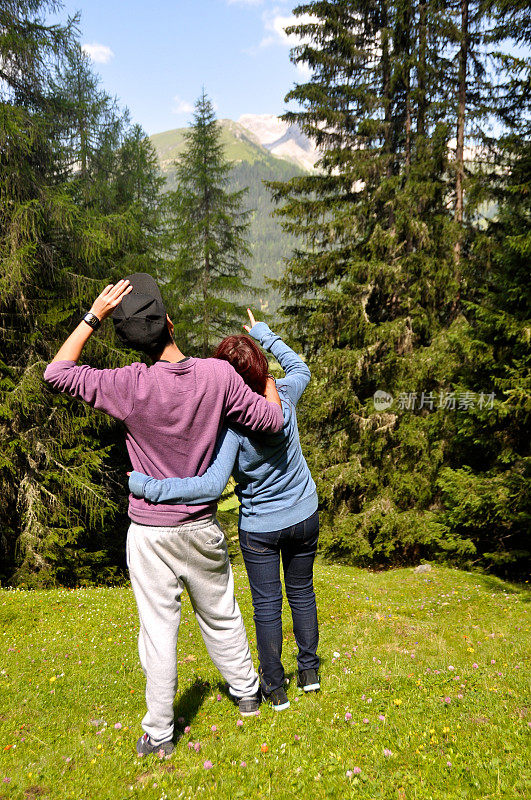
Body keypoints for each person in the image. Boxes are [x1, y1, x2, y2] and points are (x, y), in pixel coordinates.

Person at [44, 275, 286, 758]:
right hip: (200, 527)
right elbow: (272, 420)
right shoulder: (217, 378)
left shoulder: (129, 385)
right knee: (221, 615)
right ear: (170, 323)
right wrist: (269, 380)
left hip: (150, 532)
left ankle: (159, 735)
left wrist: (95, 315)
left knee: (158, 632)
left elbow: (57, 372)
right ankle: (247, 697)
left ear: (132, 343)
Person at [129, 310, 320, 712]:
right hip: (304, 513)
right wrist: (264, 335)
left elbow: (211, 486)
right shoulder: (284, 393)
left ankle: (275, 689)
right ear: (260, 370)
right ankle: (309, 674)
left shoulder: (232, 427)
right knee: (302, 592)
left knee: (267, 604)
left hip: (261, 527)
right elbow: (299, 365)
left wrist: (150, 486)